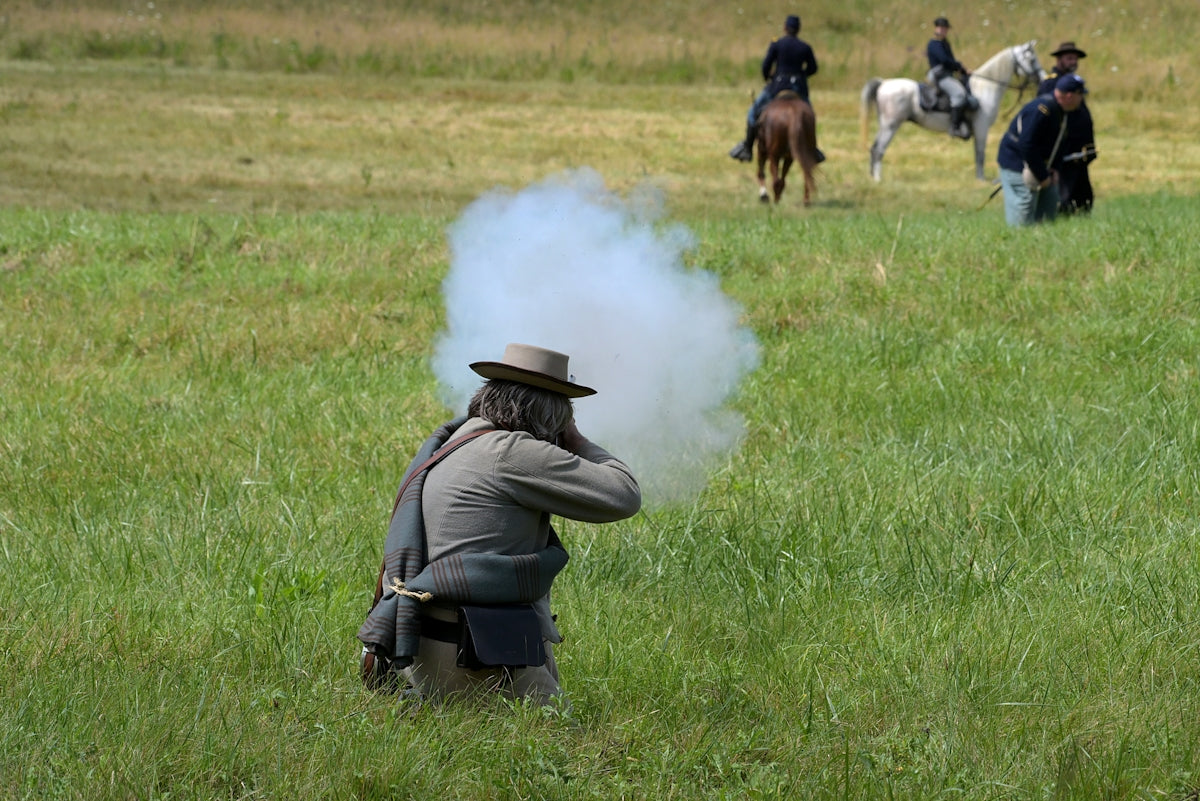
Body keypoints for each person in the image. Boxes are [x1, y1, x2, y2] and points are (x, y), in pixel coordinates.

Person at [357, 343, 641, 706]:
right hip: (470, 656)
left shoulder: (455, 440)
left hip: (414, 647)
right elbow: (624, 494)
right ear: (550, 416)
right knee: (563, 736)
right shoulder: (512, 451)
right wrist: (575, 439)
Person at [995, 74, 1088, 226]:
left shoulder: (1062, 111)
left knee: (1049, 206)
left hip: (1041, 165)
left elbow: (1058, 143)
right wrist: (1042, 176)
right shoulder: (1041, 110)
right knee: (1024, 207)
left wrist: (1054, 169)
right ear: (1070, 96)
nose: (1082, 99)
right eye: (1080, 94)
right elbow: (1026, 144)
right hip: (1018, 163)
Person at [729, 14, 823, 163]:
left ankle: (747, 147)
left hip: (777, 86)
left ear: (785, 28)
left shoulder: (777, 44)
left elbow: (765, 66)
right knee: (810, 116)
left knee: (753, 112)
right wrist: (801, 75)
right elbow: (813, 68)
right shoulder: (805, 47)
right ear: (798, 29)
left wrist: (768, 77)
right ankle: (813, 149)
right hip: (799, 88)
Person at [1038, 42, 1097, 214]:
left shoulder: (1075, 82)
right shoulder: (1051, 84)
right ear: (1059, 59)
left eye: (1075, 59)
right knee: (1064, 199)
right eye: (1069, 58)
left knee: (1084, 199)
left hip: (1080, 153)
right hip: (1064, 151)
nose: (1073, 62)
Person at [926, 16, 973, 139]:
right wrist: (959, 66)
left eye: (945, 28)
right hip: (939, 76)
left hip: (947, 73)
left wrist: (963, 70)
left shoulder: (945, 43)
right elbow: (945, 61)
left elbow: (951, 60)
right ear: (936, 28)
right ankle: (954, 127)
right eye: (941, 28)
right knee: (959, 94)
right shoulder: (934, 44)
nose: (943, 30)